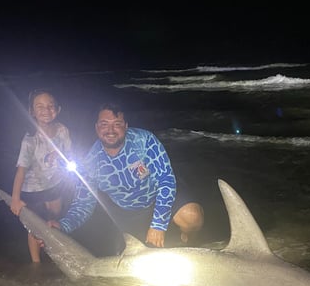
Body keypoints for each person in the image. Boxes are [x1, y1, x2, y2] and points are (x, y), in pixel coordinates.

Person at [49, 102, 203, 253]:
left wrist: (158, 225)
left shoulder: (144, 141)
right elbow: (83, 205)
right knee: (125, 262)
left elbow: (166, 181)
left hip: (156, 196)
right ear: (97, 127)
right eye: (104, 124)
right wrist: (63, 226)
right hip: (127, 212)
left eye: (117, 124)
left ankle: (191, 242)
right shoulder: (91, 163)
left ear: (126, 126)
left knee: (192, 216)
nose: (110, 130)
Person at [10, 90, 73, 262]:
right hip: (33, 189)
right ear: (32, 111)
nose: (46, 110)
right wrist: (15, 199)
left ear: (57, 109)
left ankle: (51, 250)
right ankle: (36, 262)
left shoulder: (62, 131)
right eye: (40, 107)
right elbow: (21, 171)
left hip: (56, 185)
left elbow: (68, 155)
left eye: (50, 106)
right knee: (35, 227)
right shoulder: (30, 140)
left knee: (53, 220)